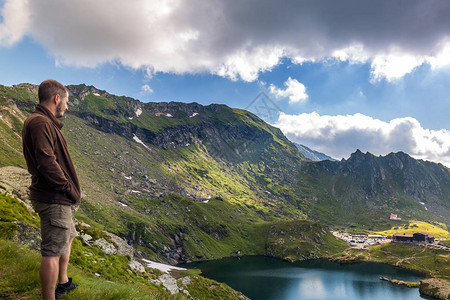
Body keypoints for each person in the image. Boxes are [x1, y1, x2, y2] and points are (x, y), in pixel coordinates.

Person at [22, 80, 82, 299]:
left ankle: (63, 282)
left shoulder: (44, 122)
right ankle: (50, 297)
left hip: (59, 198)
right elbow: (47, 163)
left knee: (67, 238)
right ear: (57, 98)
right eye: (66, 101)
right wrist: (69, 189)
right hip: (54, 197)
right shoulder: (40, 123)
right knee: (52, 252)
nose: (67, 107)